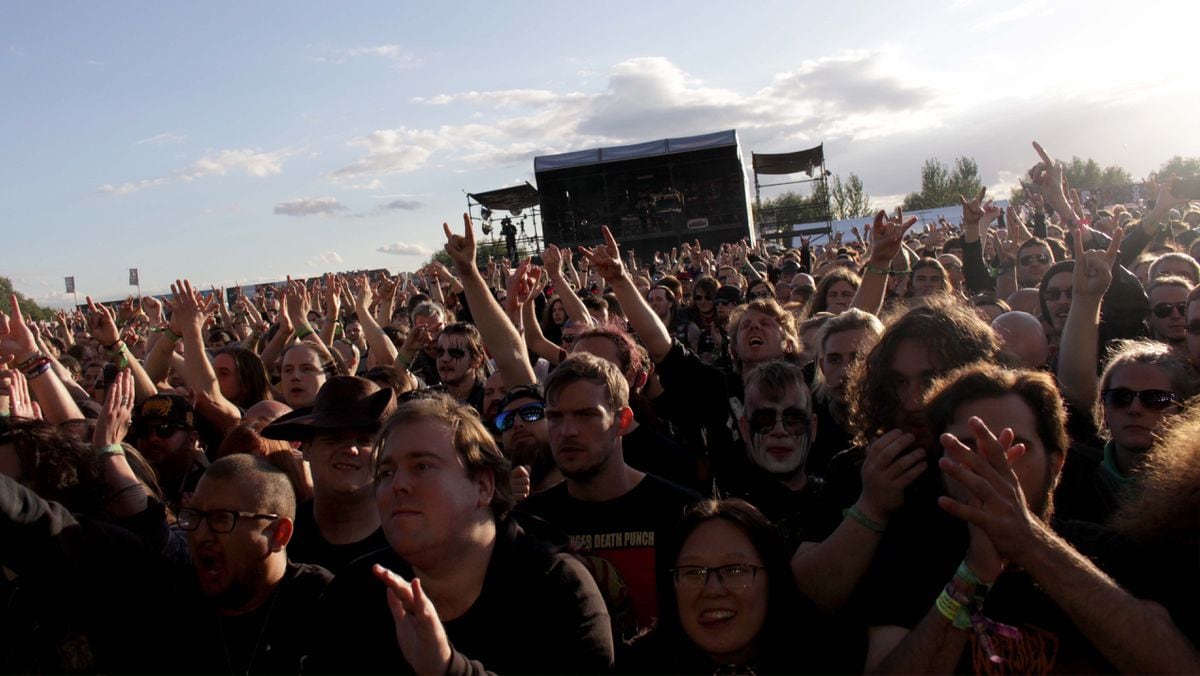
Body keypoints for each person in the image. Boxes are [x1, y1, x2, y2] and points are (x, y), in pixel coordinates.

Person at [864, 363, 1199, 673]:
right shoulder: (910, 551)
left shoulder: (1108, 552)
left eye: (1015, 446)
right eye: (967, 446)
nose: (991, 463)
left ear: (1057, 464)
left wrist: (1029, 543)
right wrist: (971, 576)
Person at [307, 392, 614, 673]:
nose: (397, 485)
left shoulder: (558, 589)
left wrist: (449, 669)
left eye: (422, 466)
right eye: (386, 472)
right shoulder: (356, 592)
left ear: (482, 486)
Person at [518, 353, 699, 640]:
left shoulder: (682, 513)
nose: (567, 432)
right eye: (555, 417)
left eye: (586, 415)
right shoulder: (529, 525)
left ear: (622, 421)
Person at [622, 499, 848, 674]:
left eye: (735, 570)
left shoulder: (830, 659)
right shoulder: (636, 666)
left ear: (773, 578)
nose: (712, 590)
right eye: (693, 572)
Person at [261, 376, 394, 572]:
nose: (351, 450)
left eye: (364, 440)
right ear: (306, 449)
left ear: (383, 452)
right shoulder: (281, 535)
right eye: (334, 439)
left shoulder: (409, 536)